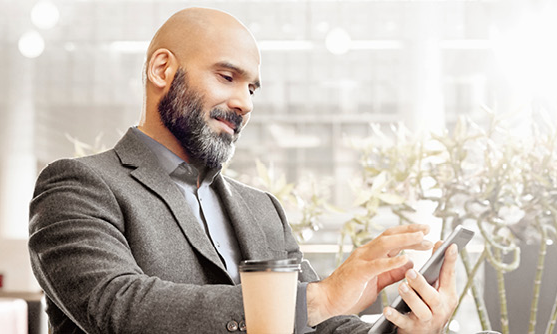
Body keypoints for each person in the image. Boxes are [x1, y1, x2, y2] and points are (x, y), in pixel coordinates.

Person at [28, 7, 460, 334]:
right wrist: (321, 297)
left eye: (251, 88)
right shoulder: (79, 185)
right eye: (226, 76)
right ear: (163, 69)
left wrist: (402, 327)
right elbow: (117, 306)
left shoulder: (261, 209)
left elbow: (315, 326)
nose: (245, 103)